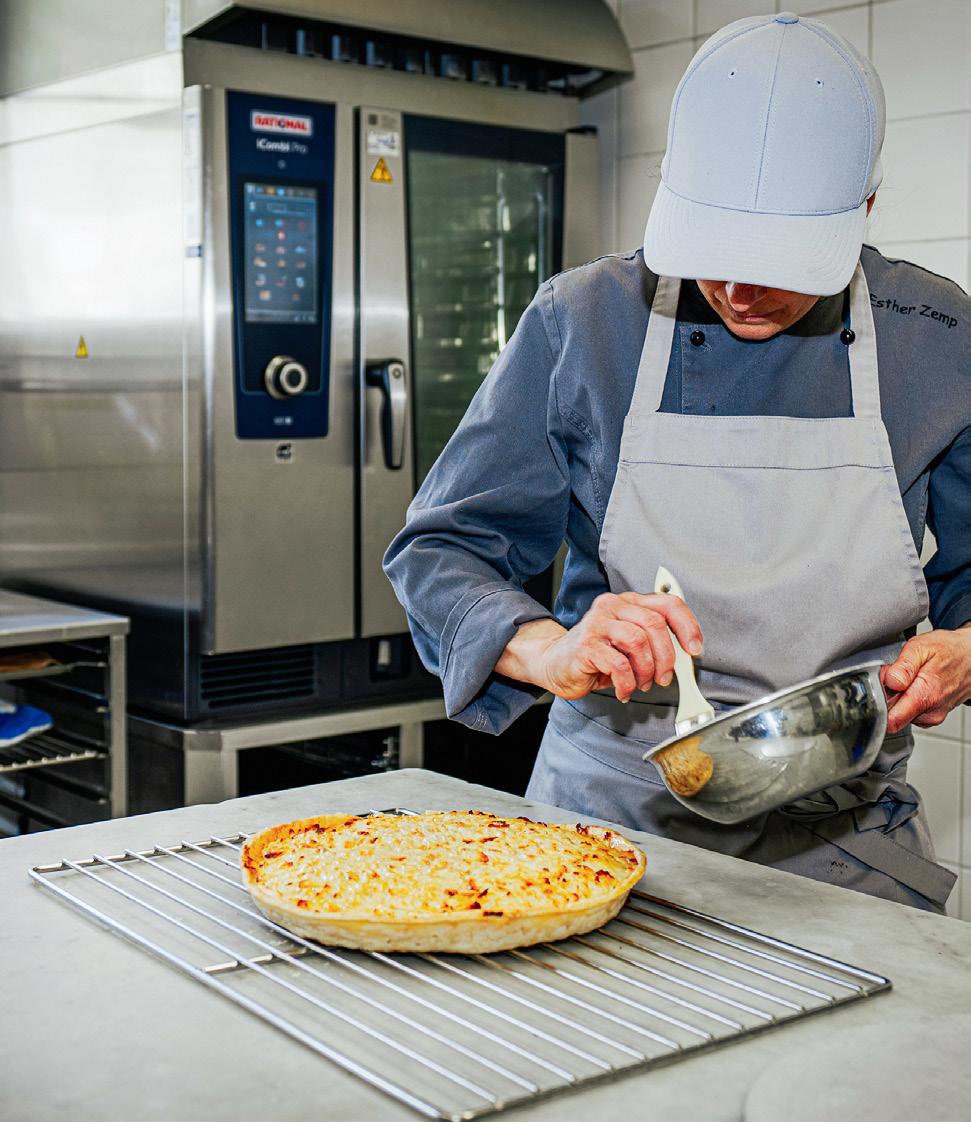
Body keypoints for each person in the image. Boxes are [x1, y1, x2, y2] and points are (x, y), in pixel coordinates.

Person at [384, 12, 970, 913]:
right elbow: (441, 550)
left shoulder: (933, 336)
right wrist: (550, 650)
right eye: (712, 249)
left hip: (847, 844)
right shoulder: (584, 322)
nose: (737, 289)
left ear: (862, 210)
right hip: (603, 828)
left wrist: (963, 652)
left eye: (778, 261)